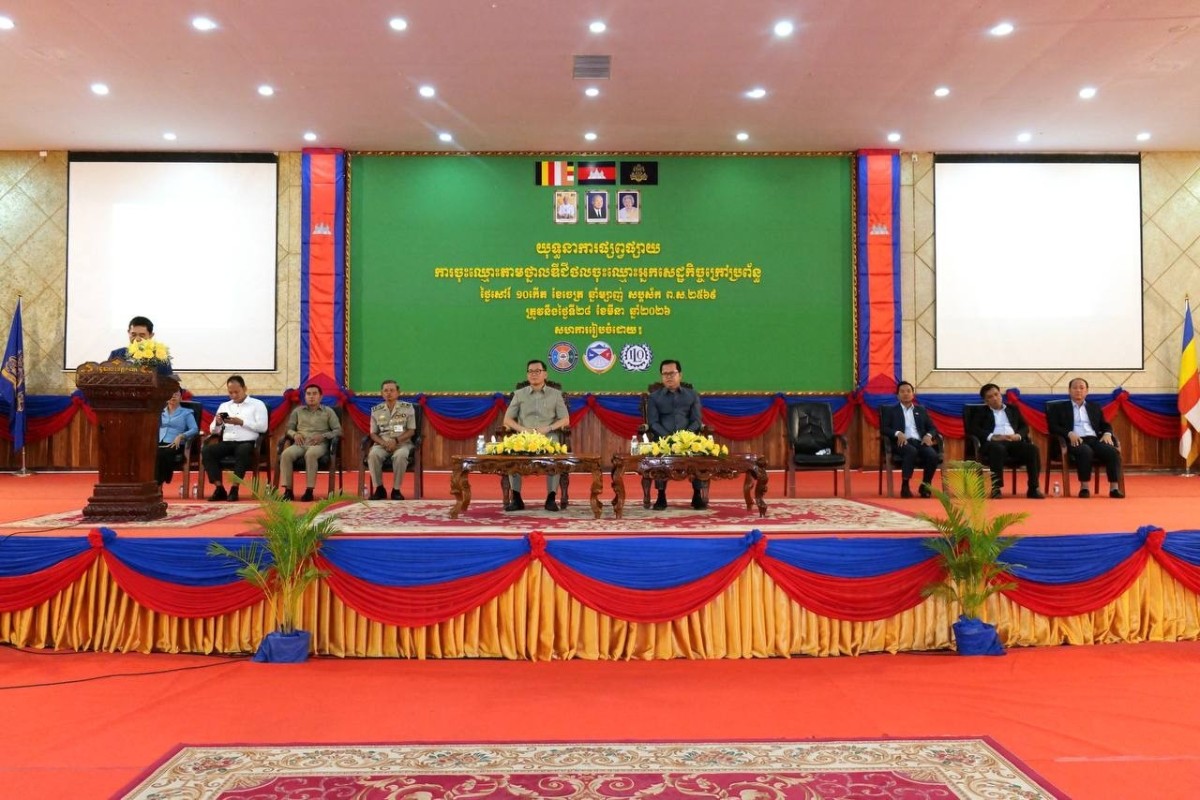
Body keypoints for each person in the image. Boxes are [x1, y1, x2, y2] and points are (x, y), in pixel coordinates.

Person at [502, 359, 569, 512]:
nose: (534, 374)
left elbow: (565, 419)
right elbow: (507, 420)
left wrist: (548, 428)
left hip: (547, 436)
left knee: (555, 453)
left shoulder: (556, 395)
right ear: (527, 375)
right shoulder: (519, 394)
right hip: (524, 436)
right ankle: (516, 498)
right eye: (530, 371)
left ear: (545, 374)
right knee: (512, 454)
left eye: (537, 371)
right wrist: (522, 430)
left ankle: (551, 498)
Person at [1047, 377, 1124, 498]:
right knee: (1085, 451)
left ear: (1087, 391)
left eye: (1081, 388)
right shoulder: (1060, 408)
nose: (1078, 390)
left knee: (1112, 452)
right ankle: (1084, 488)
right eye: (1075, 388)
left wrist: (1107, 433)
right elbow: (1053, 427)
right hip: (1074, 441)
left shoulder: (1094, 407)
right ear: (1069, 390)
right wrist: (1069, 433)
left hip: (1094, 439)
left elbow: (1104, 424)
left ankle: (1114, 488)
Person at [646, 359, 707, 509]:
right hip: (664, 440)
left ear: (680, 375)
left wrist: (685, 437)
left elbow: (696, 420)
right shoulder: (654, 397)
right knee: (658, 453)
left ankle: (697, 495)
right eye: (665, 374)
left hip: (688, 440)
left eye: (672, 373)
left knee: (699, 453)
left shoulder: (692, 395)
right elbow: (653, 422)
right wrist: (669, 438)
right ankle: (661, 496)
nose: (668, 377)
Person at [202, 375, 269, 501]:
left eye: (236, 392)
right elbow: (213, 431)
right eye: (230, 392)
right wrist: (217, 423)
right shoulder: (224, 406)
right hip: (227, 442)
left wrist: (242, 422)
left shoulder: (257, 405)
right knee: (207, 450)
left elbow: (263, 428)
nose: (233, 395)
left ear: (244, 388)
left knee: (242, 451)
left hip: (247, 443)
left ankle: (234, 488)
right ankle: (219, 488)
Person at [972, 384, 1044, 499]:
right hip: (993, 444)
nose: (995, 398)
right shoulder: (980, 412)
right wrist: (992, 436)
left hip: (1013, 442)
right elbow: (974, 429)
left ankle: (1033, 488)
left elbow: (1024, 427)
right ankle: (996, 488)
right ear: (985, 401)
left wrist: (1018, 436)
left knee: (1032, 449)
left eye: (996, 394)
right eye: (990, 397)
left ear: (1000, 395)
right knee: (998, 449)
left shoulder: (1013, 409)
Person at [278, 383, 340, 501]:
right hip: (300, 443)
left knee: (311, 454)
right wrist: (294, 434)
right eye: (308, 394)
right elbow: (288, 429)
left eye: (314, 394)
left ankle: (309, 490)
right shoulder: (298, 411)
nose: (311, 396)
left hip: (319, 444)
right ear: (305, 397)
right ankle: (288, 491)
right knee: (286, 454)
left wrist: (323, 436)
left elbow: (338, 431)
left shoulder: (328, 411)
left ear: (320, 397)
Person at [879, 380, 940, 498]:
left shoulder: (921, 410)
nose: (906, 394)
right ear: (897, 395)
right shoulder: (891, 411)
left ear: (913, 394)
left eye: (908, 391)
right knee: (911, 451)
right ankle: (905, 485)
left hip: (919, 442)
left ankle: (925, 486)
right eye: (902, 391)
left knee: (932, 455)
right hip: (902, 442)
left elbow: (932, 428)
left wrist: (928, 435)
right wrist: (897, 433)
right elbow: (884, 428)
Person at [367, 379, 417, 500]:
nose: (389, 393)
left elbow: (411, 430)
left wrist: (396, 441)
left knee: (401, 455)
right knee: (373, 455)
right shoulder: (376, 410)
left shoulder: (408, 408)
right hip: (382, 444)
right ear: (382, 393)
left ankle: (396, 490)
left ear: (398, 393)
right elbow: (373, 433)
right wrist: (384, 443)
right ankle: (379, 489)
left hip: (402, 443)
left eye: (392, 390)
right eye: (386, 391)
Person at [155, 388, 198, 490]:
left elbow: (194, 429)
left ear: (181, 397)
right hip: (159, 442)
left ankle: (158, 485)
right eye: (170, 394)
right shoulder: (160, 411)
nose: (173, 396)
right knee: (152, 454)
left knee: (164, 453)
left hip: (176, 443)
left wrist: (182, 435)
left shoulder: (186, 413)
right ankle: (155, 484)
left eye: (176, 394)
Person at [108, 315, 173, 375]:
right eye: (133, 334)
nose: (137, 339)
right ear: (128, 332)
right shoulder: (116, 354)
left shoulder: (160, 357)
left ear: (151, 335)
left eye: (142, 335)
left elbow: (168, 381)